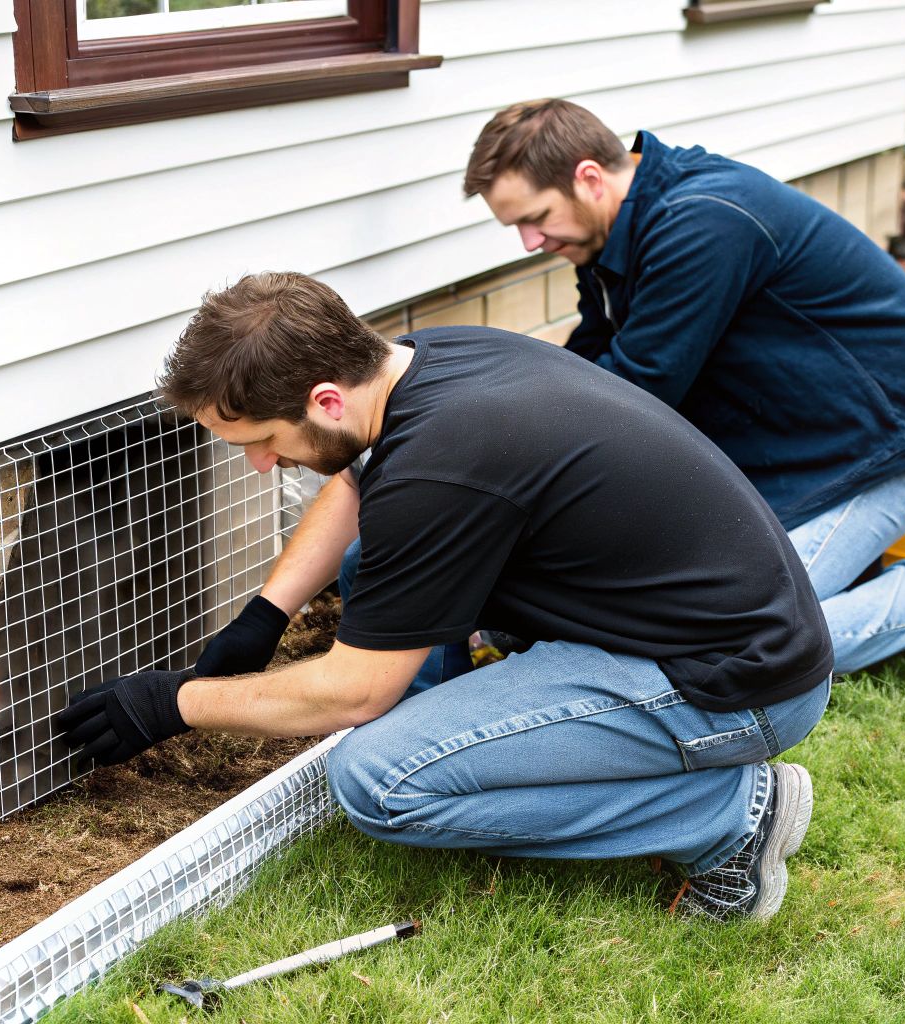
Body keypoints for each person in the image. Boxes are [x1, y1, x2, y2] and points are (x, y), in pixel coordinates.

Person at [57, 272, 835, 921]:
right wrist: (267, 613)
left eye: (261, 439)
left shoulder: (442, 466)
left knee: (379, 782)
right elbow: (361, 481)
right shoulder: (428, 358)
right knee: (372, 570)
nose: (261, 464)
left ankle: (730, 816)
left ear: (326, 399)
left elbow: (353, 691)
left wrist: (174, 703)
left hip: (733, 685)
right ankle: (479, 743)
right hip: (696, 629)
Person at [437, 98, 905, 682]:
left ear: (590, 177)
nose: (530, 242)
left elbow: (630, 397)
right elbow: (587, 367)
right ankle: (854, 572)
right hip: (789, 444)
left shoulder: (704, 222)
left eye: (535, 218)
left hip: (891, 441)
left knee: (749, 639)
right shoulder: (610, 230)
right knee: (683, 603)